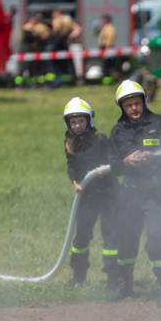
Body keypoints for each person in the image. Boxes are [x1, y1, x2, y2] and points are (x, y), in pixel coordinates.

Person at [107, 80, 161, 307]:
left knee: (155, 238)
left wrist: (154, 155)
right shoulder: (117, 132)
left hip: (156, 192)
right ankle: (125, 285)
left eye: (137, 103)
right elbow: (113, 164)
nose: (134, 108)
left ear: (144, 101)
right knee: (126, 240)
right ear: (122, 107)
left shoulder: (160, 122)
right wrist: (125, 162)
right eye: (129, 105)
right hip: (129, 193)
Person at [61, 97, 119, 289]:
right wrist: (75, 181)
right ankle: (78, 274)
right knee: (81, 236)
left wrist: (106, 168)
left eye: (81, 121)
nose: (77, 125)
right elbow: (72, 167)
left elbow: (114, 161)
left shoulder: (101, 139)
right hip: (87, 197)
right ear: (68, 124)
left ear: (89, 120)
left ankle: (112, 275)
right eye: (73, 122)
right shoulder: (69, 142)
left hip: (107, 194)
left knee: (110, 234)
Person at [50, 9, 82, 86]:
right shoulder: (68, 19)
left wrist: (52, 37)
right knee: (67, 63)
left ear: (57, 13)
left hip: (58, 43)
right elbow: (78, 29)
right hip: (65, 43)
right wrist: (70, 37)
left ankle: (58, 82)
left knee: (58, 63)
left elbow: (56, 28)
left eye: (53, 14)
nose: (52, 16)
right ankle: (69, 82)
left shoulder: (56, 20)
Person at [20, 13, 50, 83]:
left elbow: (47, 35)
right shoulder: (27, 27)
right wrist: (39, 37)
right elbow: (28, 38)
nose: (35, 20)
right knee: (24, 66)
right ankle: (20, 84)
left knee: (35, 67)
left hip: (35, 49)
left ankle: (35, 83)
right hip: (26, 49)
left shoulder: (40, 27)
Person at [97, 14, 117, 81]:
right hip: (103, 48)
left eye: (103, 19)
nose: (102, 20)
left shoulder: (110, 28)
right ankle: (106, 80)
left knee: (107, 66)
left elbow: (110, 39)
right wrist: (96, 26)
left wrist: (106, 51)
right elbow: (96, 33)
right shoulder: (104, 27)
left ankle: (107, 81)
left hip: (107, 48)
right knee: (104, 65)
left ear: (107, 20)